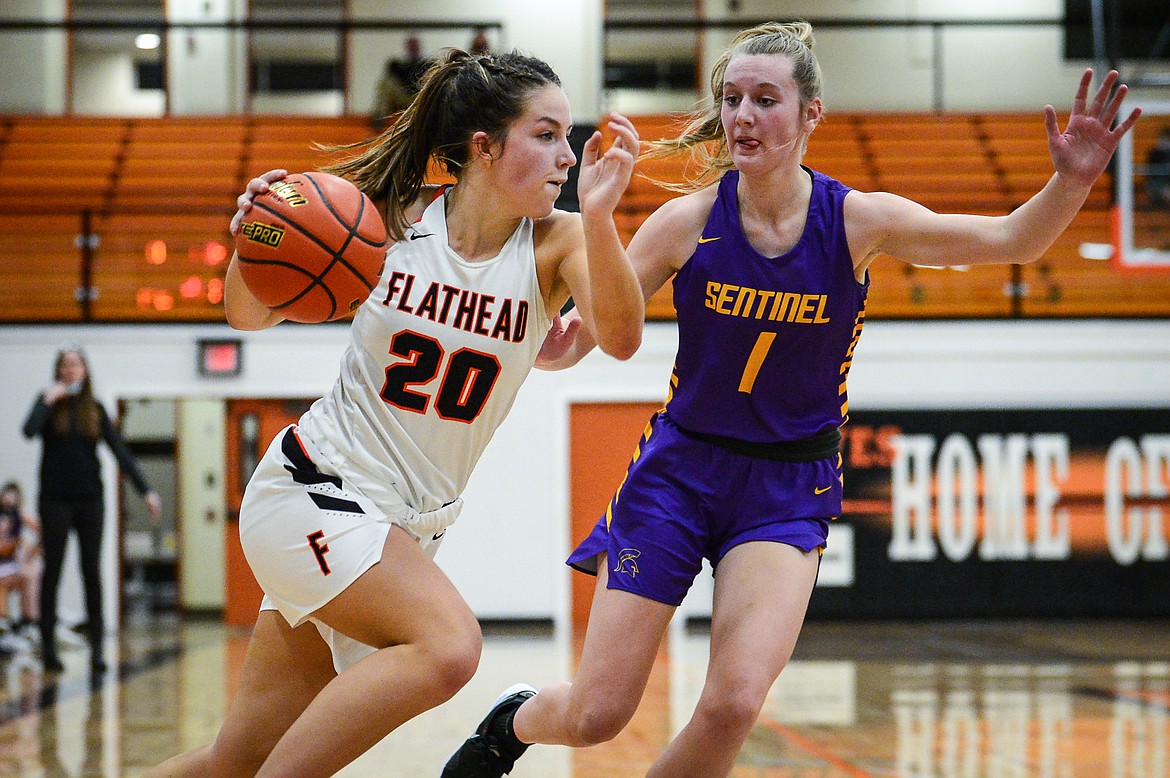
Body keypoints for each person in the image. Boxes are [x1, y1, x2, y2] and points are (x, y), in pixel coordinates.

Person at [441, 21, 1140, 778]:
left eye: (765, 99)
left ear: (810, 114)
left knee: (734, 703)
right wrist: (550, 334)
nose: (743, 115)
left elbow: (1012, 240)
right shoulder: (688, 222)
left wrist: (1070, 180)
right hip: (680, 471)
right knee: (597, 713)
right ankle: (512, 723)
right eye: (733, 98)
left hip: (787, 484)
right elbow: (590, 334)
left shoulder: (857, 221)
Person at [145, 46, 643, 778]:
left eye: (567, 136)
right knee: (450, 648)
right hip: (319, 489)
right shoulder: (391, 217)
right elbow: (248, 316)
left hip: (398, 527)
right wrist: (253, 242)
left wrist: (600, 216)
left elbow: (623, 340)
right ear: (483, 147)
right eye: (546, 134)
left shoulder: (558, 242)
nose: (567, 156)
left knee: (234, 759)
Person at [21, 345, 162, 674]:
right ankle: (48, 651)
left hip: (90, 502)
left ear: (85, 372)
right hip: (54, 501)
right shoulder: (48, 406)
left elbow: (120, 453)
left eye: (76, 365)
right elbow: (27, 431)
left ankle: (98, 651)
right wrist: (47, 400)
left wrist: (146, 491)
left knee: (91, 574)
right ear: (59, 371)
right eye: (65, 365)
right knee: (52, 573)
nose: (70, 370)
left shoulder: (95, 410)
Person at [0, 481, 40, 646]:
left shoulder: (20, 515)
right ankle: (3, 625)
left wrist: (30, 552)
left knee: (31, 576)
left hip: (11, 565)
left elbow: (42, 531)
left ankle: (30, 623)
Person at [372, 36, 434, 131]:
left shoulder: (428, 65)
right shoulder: (397, 65)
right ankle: (379, 119)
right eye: (411, 46)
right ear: (407, 47)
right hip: (403, 100)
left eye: (415, 45)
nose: (413, 48)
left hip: (420, 100)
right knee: (386, 83)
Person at [1145, 126, 1170, 209]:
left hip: (1166, 182)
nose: (1161, 141)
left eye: (1165, 138)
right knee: (1151, 190)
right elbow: (1149, 171)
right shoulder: (1154, 153)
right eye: (1161, 138)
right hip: (1155, 181)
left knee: (1166, 192)